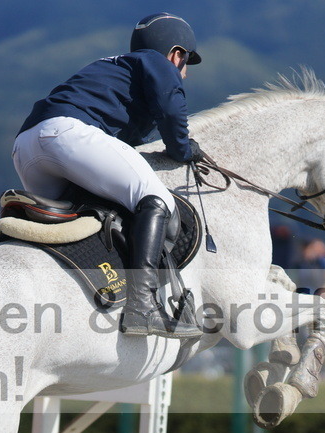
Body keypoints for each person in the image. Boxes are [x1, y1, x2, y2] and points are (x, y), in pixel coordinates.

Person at [12, 13, 205, 339]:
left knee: (76, 228)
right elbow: (172, 113)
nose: (183, 74)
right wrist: (186, 150)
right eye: (185, 64)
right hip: (68, 135)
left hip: (26, 146)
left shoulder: (116, 70)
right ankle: (142, 306)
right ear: (176, 54)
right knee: (154, 198)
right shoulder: (156, 63)